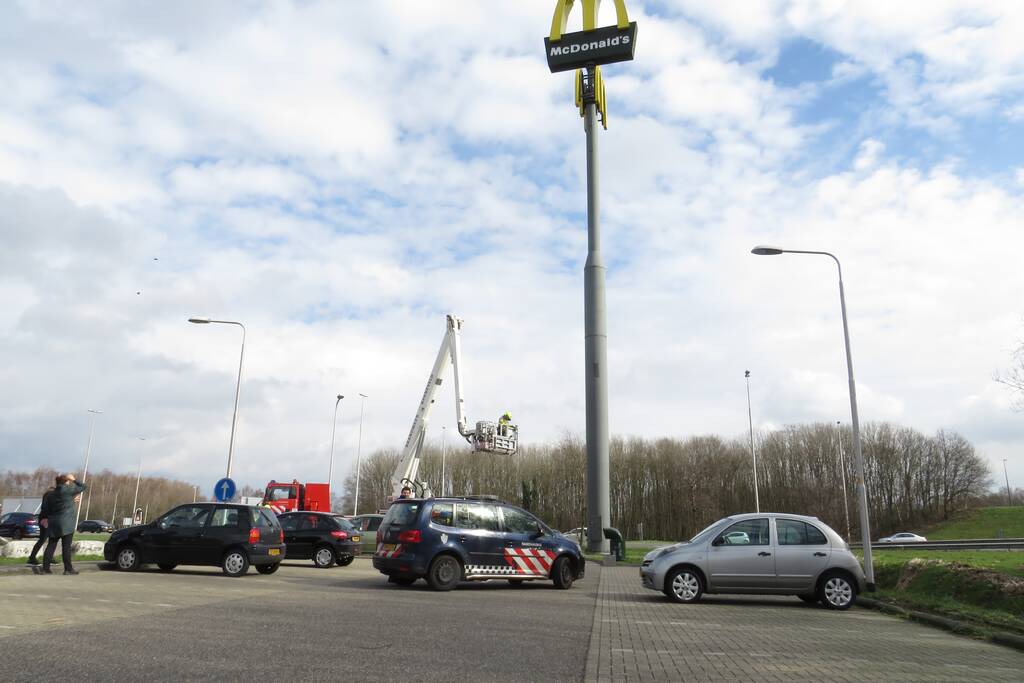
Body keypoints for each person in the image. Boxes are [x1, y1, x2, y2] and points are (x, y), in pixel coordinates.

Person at [39, 473, 86, 575]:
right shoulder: (68, 491)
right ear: (66, 482)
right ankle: (68, 569)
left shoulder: (51, 494)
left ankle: (45, 569)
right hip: (67, 524)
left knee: (51, 545)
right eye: (68, 481)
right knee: (66, 547)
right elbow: (83, 486)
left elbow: (46, 509)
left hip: (54, 523)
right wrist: (74, 479)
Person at [26, 479, 58, 566]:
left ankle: (49, 557)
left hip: (47, 518)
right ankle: (32, 558)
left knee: (51, 539)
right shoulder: (49, 496)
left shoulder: (48, 496)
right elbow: (46, 508)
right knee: (43, 539)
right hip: (46, 519)